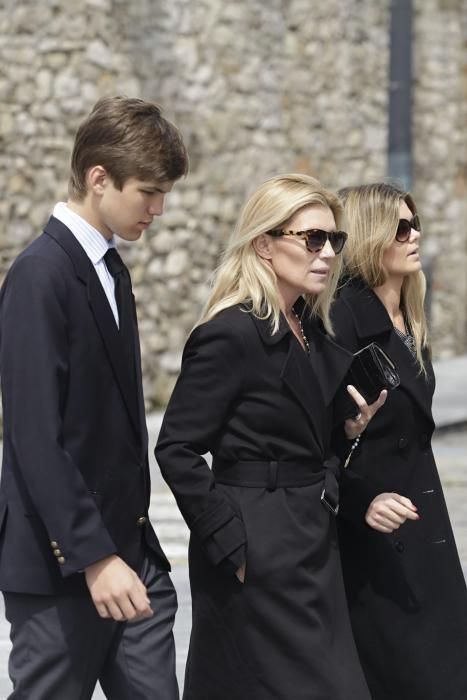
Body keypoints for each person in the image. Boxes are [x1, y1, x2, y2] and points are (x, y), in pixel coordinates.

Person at [155, 173, 387, 700]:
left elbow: (308, 437)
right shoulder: (230, 333)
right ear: (264, 243)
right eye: (312, 238)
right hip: (255, 546)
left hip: (311, 542)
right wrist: (230, 541)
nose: (327, 252)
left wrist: (347, 432)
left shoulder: (312, 329)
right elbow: (176, 448)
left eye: (335, 239)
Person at [0, 96, 188, 699]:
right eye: (148, 192)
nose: (158, 210)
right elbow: (33, 435)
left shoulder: (112, 269)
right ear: (98, 178)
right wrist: (94, 558)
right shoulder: (39, 274)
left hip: (132, 560)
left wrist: (133, 555)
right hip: (64, 569)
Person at [331, 182, 467, 700]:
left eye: (416, 225)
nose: (415, 237)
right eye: (401, 228)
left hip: (422, 525)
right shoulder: (344, 319)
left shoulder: (409, 315)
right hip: (377, 539)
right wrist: (361, 500)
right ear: (370, 238)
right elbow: (316, 439)